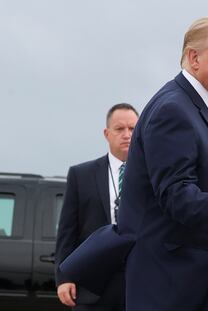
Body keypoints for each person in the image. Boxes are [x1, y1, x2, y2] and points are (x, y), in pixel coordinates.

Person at [114, 16, 208, 310]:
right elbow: (174, 192)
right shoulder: (173, 109)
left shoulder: (204, 109)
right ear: (194, 57)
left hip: (199, 284)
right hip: (175, 288)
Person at [55, 103, 139, 311]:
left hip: (140, 283)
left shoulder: (154, 175)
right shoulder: (81, 175)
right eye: (120, 129)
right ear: (107, 133)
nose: (127, 135)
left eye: (132, 129)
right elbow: (67, 231)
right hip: (92, 286)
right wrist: (63, 277)